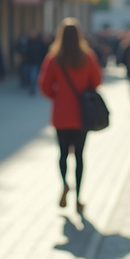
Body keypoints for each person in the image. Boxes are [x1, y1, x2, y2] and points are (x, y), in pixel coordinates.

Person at [38, 19, 103, 214]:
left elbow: (44, 86)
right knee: (80, 156)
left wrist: (58, 97)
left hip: (61, 115)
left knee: (63, 154)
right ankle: (79, 197)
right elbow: (97, 81)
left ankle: (65, 184)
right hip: (83, 115)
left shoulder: (53, 58)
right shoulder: (88, 56)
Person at [25, 29, 48, 96]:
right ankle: (31, 87)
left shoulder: (39, 42)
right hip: (28, 61)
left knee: (33, 76)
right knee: (28, 76)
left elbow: (43, 52)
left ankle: (33, 89)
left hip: (36, 62)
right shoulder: (28, 41)